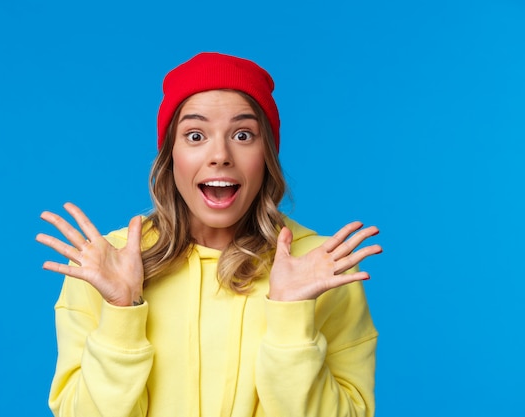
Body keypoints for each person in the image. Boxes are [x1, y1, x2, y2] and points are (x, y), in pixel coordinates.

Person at [36, 52, 382, 417]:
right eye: (196, 135)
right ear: (171, 155)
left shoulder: (322, 267)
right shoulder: (107, 263)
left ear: (267, 155)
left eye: (243, 134)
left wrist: (291, 318)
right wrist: (121, 312)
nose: (220, 155)